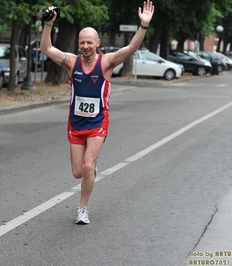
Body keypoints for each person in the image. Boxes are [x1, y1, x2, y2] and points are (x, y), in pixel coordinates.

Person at [40, 1, 155, 224]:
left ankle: (82, 208)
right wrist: (48, 24)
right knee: (77, 172)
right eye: (82, 42)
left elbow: (130, 48)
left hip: (98, 123)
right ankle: (90, 170)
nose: (85, 46)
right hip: (75, 124)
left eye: (89, 42)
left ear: (97, 43)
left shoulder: (106, 63)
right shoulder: (71, 62)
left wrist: (143, 26)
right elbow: (46, 48)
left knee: (87, 165)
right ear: (78, 43)